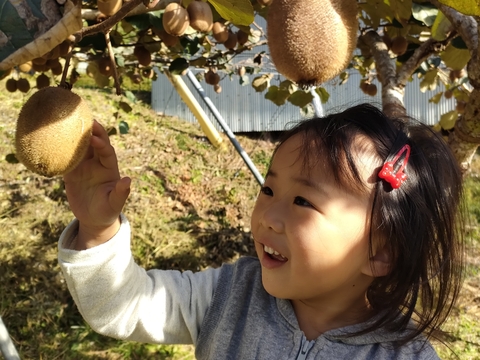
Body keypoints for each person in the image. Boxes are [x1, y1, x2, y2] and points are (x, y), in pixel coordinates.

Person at [58, 103, 465, 359]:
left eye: (303, 202)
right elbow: (124, 306)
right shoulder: (227, 296)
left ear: (380, 253)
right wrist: (97, 228)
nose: (267, 215)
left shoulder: (403, 355)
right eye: (268, 189)